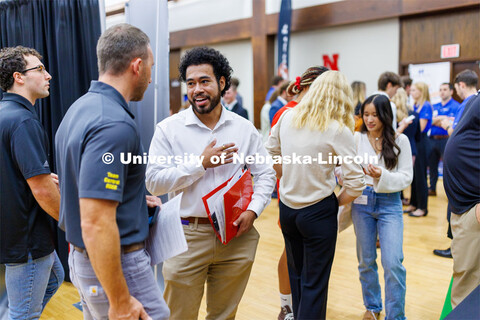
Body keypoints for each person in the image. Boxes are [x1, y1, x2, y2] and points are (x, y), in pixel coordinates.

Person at [145, 46, 276, 320]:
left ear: (222, 83)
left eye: (204, 81)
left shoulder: (243, 128)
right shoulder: (169, 129)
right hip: (186, 236)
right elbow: (154, 183)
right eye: (191, 83)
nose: (197, 90)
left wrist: (253, 210)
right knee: (179, 315)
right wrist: (199, 164)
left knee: (224, 315)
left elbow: (266, 174)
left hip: (236, 236)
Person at [55, 24, 169, 320]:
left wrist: (129, 199)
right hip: (116, 263)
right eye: (151, 67)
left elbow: (83, 189)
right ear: (137, 66)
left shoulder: (79, 109)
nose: (151, 77)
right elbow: (95, 221)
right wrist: (120, 300)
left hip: (86, 259)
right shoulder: (113, 124)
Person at [266, 70, 365, 320]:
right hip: (317, 211)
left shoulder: (287, 116)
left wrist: (287, 174)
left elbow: (269, 155)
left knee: (298, 277)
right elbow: (355, 183)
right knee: (315, 286)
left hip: (288, 209)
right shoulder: (337, 129)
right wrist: (334, 203)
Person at [0, 46, 64, 319]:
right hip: (26, 238)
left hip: (15, 234)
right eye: (39, 69)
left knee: (55, 278)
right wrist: (75, 225)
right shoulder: (23, 120)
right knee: (24, 314)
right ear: (19, 77)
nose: (48, 75)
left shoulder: (5, 114)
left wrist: (26, 177)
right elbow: (42, 191)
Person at [270, 65, 329, 320]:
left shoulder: (314, 113)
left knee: (306, 260)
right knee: (292, 256)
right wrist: (297, 174)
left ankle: (300, 305)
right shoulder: (286, 114)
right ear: (306, 87)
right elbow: (274, 157)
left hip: (311, 199)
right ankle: (287, 306)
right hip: (294, 198)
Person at [351, 94, 413, 320]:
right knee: (366, 260)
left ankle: (395, 315)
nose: (369, 119)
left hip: (390, 203)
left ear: (385, 115)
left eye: (374, 115)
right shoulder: (356, 139)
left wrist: (382, 175)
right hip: (361, 203)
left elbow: (407, 177)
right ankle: (373, 306)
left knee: (393, 262)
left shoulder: (400, 140)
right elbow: (344, 170)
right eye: (366, 114)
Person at [443, 89, 480, 309]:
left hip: (472, 206)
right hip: (464, 204)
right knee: (466, 276)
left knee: (467, 281)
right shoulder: (474, 98)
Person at [406, 81, 432, 217]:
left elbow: (420, 128)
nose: (412, 92)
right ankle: (413, 203)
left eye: (415, 90)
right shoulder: (415, 106)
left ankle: (422, 207)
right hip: (415, 142)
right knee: (414, 175)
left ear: (421, 92)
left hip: (421, 142)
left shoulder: (426, 106)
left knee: (421, 176)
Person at [428, 83, 459, 196]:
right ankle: (432, 188)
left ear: (451, 91)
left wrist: (437, 120)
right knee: (432, 166)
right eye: (440, 89)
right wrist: (443, 118)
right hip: (433, 139)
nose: (442, 92)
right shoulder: (434, 106)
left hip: (447, 140)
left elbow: (453, 122)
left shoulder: (457, 106)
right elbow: (429, 122)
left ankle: (450, 192)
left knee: (448, 167)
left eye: (445, 89)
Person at [440, 69, 478, 136]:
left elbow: (455, 133)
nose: (457, 93)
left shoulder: (466, 104)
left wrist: (447, 126)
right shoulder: (476, 101)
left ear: (461, 85)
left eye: (456, 88)